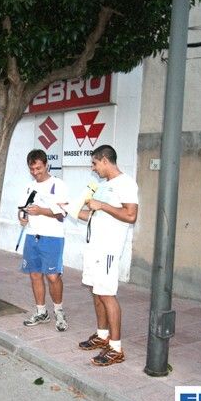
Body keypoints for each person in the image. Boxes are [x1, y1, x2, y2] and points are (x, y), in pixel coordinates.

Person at [77, 145, 138, 367]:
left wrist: (102, 205)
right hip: (94, 247)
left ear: (104, 160)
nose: (93, 168)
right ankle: (102, 336)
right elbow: (93, 216)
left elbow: (131, 215)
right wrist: (68, 209)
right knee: (97, 291)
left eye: (94, 163)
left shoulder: (126, 183)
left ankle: (116, 348)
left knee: (107, 294)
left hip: (108, 250)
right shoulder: (102, 186)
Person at [18, 150, 70, 331]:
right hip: (32, 236)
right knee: (35, 274)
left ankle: (59, 311)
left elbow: (62, 214)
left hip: (53, 237)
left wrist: (41, 211)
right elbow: (22, 209)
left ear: (46, 165)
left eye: (38, 168)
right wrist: (22, 218)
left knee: (53, 276)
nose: (35, 172)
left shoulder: (58, 185)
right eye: (32, 169)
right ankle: (41, 312)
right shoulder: (29, 186)